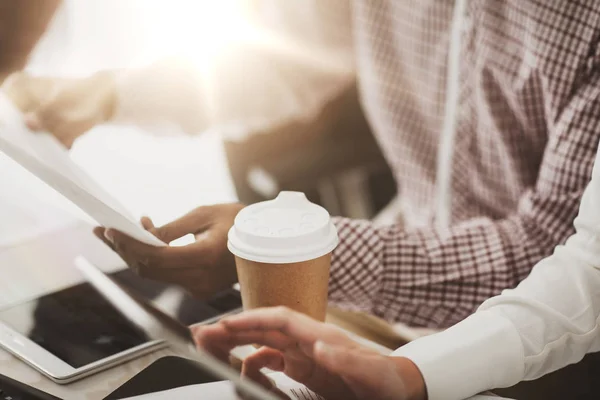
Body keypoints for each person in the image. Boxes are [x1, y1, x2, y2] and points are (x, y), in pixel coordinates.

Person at [6, 0, 600, 331]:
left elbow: (551, 253)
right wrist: (114, 95)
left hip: (537, 333)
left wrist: (299, 258)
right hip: (393, 279)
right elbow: (281, 61)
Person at [191, 139, 600, 400]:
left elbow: (549, 245)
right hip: (413, 336)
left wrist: (298, 247)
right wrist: (411, 373)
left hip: (531, 359)